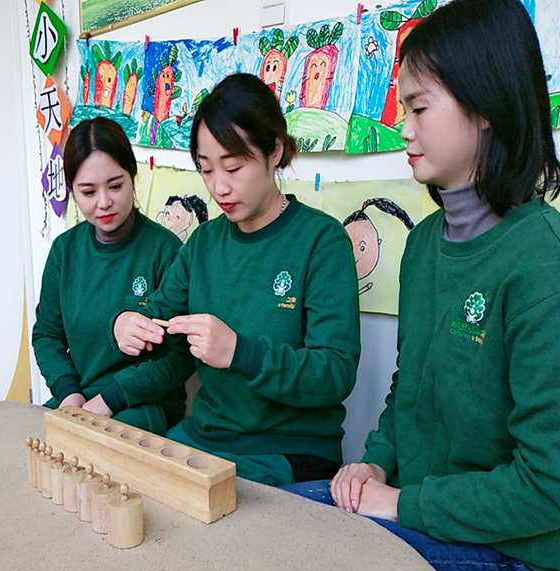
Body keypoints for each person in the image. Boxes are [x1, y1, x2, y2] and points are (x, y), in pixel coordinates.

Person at [283, 0, 560, 571]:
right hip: (424, 509)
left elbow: (548, 484)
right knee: (276, 517)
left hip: (519, 555)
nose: (402, 128)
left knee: (311, 550)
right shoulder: (425, 244)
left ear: (486, 104)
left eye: (418, 108)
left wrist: (400, 501)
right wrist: (375, 463)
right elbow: (409, 387)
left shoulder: (539, 259)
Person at [108, 73, 360, 487]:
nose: (218, 187)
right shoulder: (203, 242)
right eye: (206, 170)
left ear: (274, 150)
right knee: (132, 486)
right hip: (206, 434)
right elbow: (156, 312)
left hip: (289, 446)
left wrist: (241, 352)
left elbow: (335, 373)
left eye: (234, 166)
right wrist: (128, 323)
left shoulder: (321, 241)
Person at [32, 117, 186, 434]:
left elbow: (179, 357)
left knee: (100, 451)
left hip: (141, 405)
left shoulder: (166, 251)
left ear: (133, 177)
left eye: (115, 186)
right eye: (88, 192)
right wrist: (68, 393)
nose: (104, 203)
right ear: (73, 191)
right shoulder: (64, 251)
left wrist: (109, 400)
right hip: (79, 401)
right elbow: (47, 335)